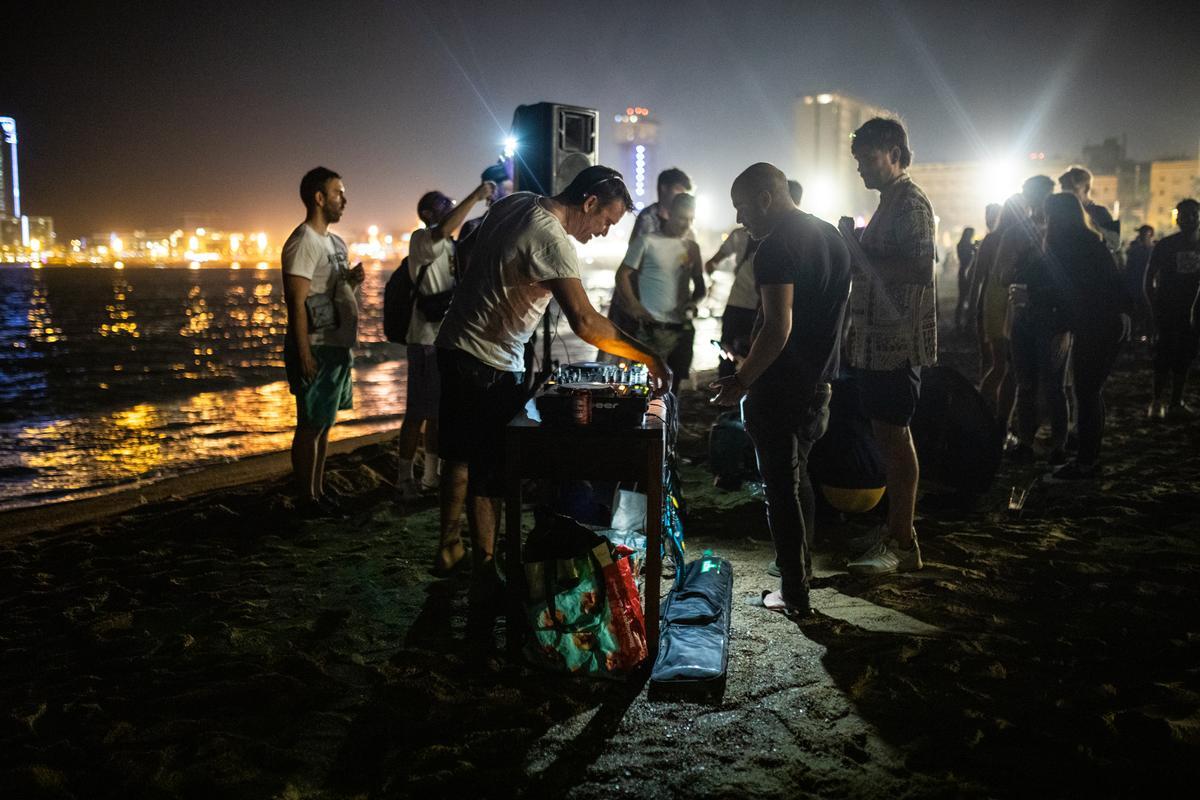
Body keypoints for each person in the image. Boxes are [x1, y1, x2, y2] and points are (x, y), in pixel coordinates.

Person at [434, 165, 670, 634]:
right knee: (490, 471)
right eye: (606, 220)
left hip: (453, 343)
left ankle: (450, 547)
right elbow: (585, 321)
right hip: (487, 361)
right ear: (588, 203)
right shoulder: (552, 239)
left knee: (460, 453)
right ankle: (484, 573)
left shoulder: (517, 201)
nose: (603, 232)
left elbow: (464, 246)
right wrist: (647, 357)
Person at [710, 162, 851, 616]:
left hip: (781, 388)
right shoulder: (832, 237)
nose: (739, 219)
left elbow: (777, 328)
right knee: (799, 479)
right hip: (821, 384)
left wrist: (741, 381)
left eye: (741, 207)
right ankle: (800, 574)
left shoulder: (774, 247)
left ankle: (793, 593)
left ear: (766, 199)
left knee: (780, 490)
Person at [838, 117, 935, 575]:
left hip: (897, 343)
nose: (861, 169)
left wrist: (856, 250)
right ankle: (896, 530)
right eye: (857, 160)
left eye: (868, 158)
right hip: (876, 342)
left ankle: (903, 542)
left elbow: (918, 268)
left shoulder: (911, 203)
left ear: (894, 153)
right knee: (887, 435)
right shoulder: (889, 202)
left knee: (895, 438)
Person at [395, 181, 494, 508]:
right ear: (426, 214)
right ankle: (404, 480)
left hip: (443, 339)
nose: (451, 210)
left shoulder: (450, 246)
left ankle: (430, 477)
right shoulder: (423, 240)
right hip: (423, 339)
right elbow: (446, 228)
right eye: (443, 205)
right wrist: (477, 196)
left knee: (438, 414)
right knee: (417, 413)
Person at [281, 167, 365, 518]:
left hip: (336, 344)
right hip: (315, 344)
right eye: (337, 193)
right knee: (310, 424)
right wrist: (303, 353)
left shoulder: (335, 243)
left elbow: (337, 293)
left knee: (325, 423)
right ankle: (306, 499)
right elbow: (296, 302)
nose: (343, 199)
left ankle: (316, 491)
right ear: (319, 198)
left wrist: (353, 282)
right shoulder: (302, 242)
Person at [1042, 193, 1131, 480]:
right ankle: (1090, 457)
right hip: (1110, 322)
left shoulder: (1064, 244)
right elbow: (1113, 282)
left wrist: (1061, 329)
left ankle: (1086, 461)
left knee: (1086, 392)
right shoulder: (1091, 240)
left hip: (1095, 325)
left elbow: (1066, 292)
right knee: (1092, 392)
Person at [615, 192, 705, 392]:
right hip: (650, 328)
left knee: (675, 387)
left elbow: (700, 288)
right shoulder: (647, 242)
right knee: (644, 386)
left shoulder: (692, 248)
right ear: (668, 214)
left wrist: (694, 303)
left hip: (681, 329)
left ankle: (670, 422)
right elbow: (622, 275)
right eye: (682, 218)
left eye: (691, 219)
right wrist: (634, 305)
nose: (686, 224)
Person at [600, 168, 693, 357]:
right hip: (636, 303)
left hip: (663, 313)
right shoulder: (648, 219)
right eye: (678, 190)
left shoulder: (684, 226)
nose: (682, 196)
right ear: (663, 189)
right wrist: (634, 305)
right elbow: (634, 267)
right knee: (625, 354)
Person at [1144, 199, 1200, 418]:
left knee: (1186, 356)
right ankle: (1157, 402)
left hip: (1194, 312)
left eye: (1194, 213)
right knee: (1163, 356)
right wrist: (1153, 308)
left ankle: (1177, 401)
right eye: (1185, 214)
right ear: (1177, 218)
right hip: (1167, 309)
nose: (1190, 218)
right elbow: (1148, 279)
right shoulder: (1166, 245)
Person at [1059, 166, 1121, 251]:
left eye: (1073, 189)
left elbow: (1114, 244)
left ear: (1086, 188)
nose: (1067, 194)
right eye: (1064, 189)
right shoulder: (1060, 212)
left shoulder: (1100, 212)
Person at [1125, 224, 1155, 342]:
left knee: (1147, 314)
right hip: (1135, 287)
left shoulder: (1153, 250)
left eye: (1145, 233)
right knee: (1136, 314)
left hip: (1145, 288)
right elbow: (1129, 269)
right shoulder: (1135, 250)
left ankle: (1146, 337)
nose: (1142, 236)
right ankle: (1136, 338)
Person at [954, 227, 976, 331]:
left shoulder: (962, 244)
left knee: (963, 298)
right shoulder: (964, 245)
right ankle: (961, 321)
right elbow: (965, 258)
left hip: (964, 272)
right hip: (965, 272)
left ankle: (960, 320)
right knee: (964, 297)